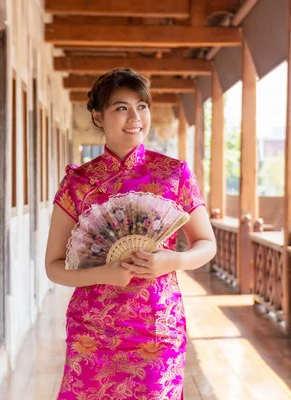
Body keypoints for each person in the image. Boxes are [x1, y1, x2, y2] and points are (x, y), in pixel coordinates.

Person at [45, 68, 217, 399]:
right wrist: (105, 273)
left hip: (157, 328)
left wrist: (173, 260)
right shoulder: (79, 183)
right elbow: (53, 266)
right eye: (121, 107)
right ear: (98, 116)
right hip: (92, 332)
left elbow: (206, 244)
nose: (135, 117)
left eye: (142, 106)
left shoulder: (173, 173)